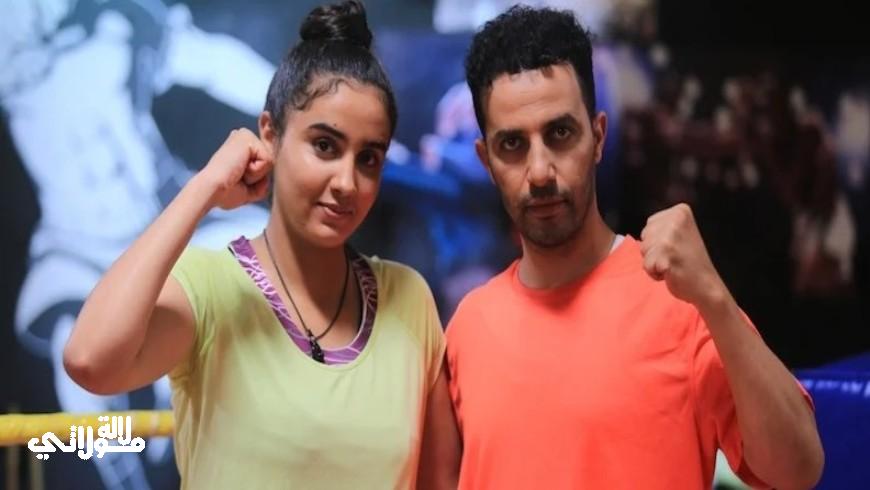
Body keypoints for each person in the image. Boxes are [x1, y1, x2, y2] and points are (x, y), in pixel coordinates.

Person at [62, 2, 456, 488]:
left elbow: (440, 480)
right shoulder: (210, 288)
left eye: (368, 158)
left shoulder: (408, 298)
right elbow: (90, 361)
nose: (347, 182)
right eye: (325, 146)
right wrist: (204, 188)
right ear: (270, 134)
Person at [443, 6, 824, 489]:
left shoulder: (679, 301)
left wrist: (715, 298)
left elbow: (798, 470)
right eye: (513, 145)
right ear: (486, 159)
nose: (539, 171)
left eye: (560, 133)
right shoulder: (468, 327)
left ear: (598, 137)